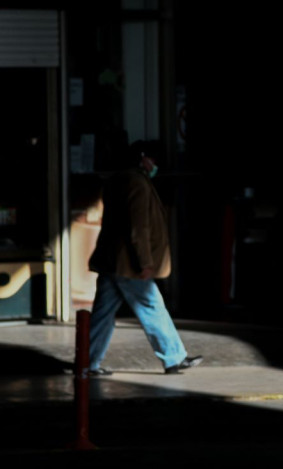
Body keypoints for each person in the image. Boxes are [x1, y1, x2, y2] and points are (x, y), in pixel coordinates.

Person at [85, 140, 201, 375]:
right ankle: (173, 357)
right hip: (129, 263)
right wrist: (145, 262)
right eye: (153, 159)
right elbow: (139, 227)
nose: (155, 164)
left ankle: (87, 362)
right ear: (142, 158)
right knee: (152, 306)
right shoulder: (136, 182)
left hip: (112, 261)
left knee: (103, 314)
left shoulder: (117, 180)